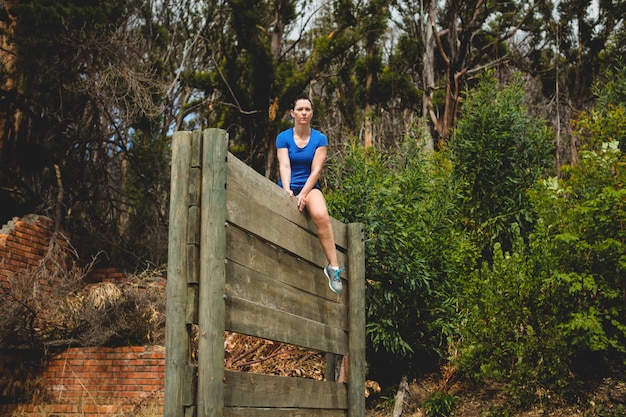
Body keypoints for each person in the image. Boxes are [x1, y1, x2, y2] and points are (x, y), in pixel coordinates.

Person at [276, 95, 344, 293]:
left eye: (307, 109)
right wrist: (287, 190)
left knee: (322, 216)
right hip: (288, 186)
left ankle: (334, 268)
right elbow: (285, 164)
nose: (304, 113)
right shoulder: (283, 138)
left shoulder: (320, 139)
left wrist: (303, 194)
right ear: (293, 113)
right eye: (300, 109)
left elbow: (316, 170)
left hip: (310, 187)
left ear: (311, 113)